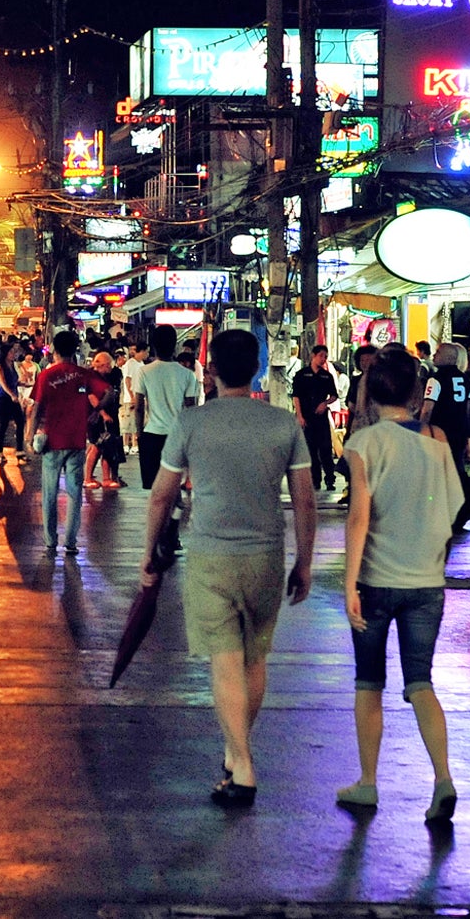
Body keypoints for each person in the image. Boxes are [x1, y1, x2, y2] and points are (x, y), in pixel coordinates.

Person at [140, 329, 316, 809]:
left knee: (224, 660)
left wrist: (149, 551)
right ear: (258, 368)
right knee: (254, 659)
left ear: (210, 369)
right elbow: (304, 498)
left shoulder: (191, 423)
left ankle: (243, 765)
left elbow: (162, 493)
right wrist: (304, 560)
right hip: (265, 555)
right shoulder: (283, 424)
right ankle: (235, 752)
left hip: (211, 555)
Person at [336, 349, 465, 821]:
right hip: (426, 583)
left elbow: (358, 518)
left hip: (375, 581)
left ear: (370, 390)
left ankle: (368, 782)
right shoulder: (438, 439)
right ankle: (443, 778)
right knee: (421, 682)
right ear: (416, 392)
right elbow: (453, 509)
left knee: (369, 682)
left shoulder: (364, 444)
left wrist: (349, 583)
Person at [26, 330, 108, 555]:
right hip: (76, 441)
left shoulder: (46, 375)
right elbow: (109, 392)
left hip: (52, 441)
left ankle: (50, 541)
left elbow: (37, 408)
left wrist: (30, 436)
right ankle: (71, 542)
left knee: (49, 493)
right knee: (74, 493)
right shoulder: (83, 374)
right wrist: (96, 411)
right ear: (75, 349)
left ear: (54, 349)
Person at [136, 325, 199, 491]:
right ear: (174, 345)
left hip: (151, 434)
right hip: (176, 435)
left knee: (156, 485)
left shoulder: (144, 372)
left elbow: (139, 408)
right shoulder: (187, 375)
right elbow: (191, 409)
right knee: (174, 483)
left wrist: (139, 433)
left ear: (154, 346)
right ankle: (175, 511)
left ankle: (161, 515)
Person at [420, 342, 470, 534]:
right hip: (459, 433)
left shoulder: (435, 379)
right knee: (457, 471)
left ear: (449, 357)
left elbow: (428, 408)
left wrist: (421, 429)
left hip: (438, 432)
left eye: (439, 352)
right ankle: (460, 511)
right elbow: (468, 409)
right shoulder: (466, 380)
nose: (434, 355)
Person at [291, 345, 339, 494]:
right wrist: (299, 416)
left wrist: (325, 403)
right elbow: (296, 396)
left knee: (325, 448)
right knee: (310, 449)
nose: (323, 359)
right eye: (321, 356)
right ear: (313, 356)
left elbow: (334, 395)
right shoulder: (302, 375)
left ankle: (330, 479)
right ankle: (315, 480)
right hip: (307, 416)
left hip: (321, 417)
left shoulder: (326, 376)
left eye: (325, 356)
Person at [83, 350, 125, 489]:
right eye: (108, 365)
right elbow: (92, 397)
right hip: (95, 417)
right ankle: (88, 478)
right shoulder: (91, 377)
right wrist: (103, 413)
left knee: (108, 445)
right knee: (96, 446)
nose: (110, 368)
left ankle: (107, 478)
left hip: (109, 415)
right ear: (103, 365)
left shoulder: (106, 377)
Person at [0, 342, 27, 464]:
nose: (13, 354)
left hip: (13, 397)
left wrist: (23, 384)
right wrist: (11, 394)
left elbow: (14, 381)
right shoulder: (0, 365)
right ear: (6, 353)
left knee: (20, 421)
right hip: (3, 398)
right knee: (4, 424)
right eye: (11, 352)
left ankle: (20, 450)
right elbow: (1, 381)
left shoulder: (12, 365)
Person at [120, 343, 146, 455]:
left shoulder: (142, 364)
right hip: (129, 398)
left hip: (139, 397)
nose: (147, 354)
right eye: (147, 351)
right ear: (142, 351)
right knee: (127, 423)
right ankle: (125, 445)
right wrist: (131, 396)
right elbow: (127, 380)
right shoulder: (130, 364)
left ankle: (135, 445)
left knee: (136, 422)